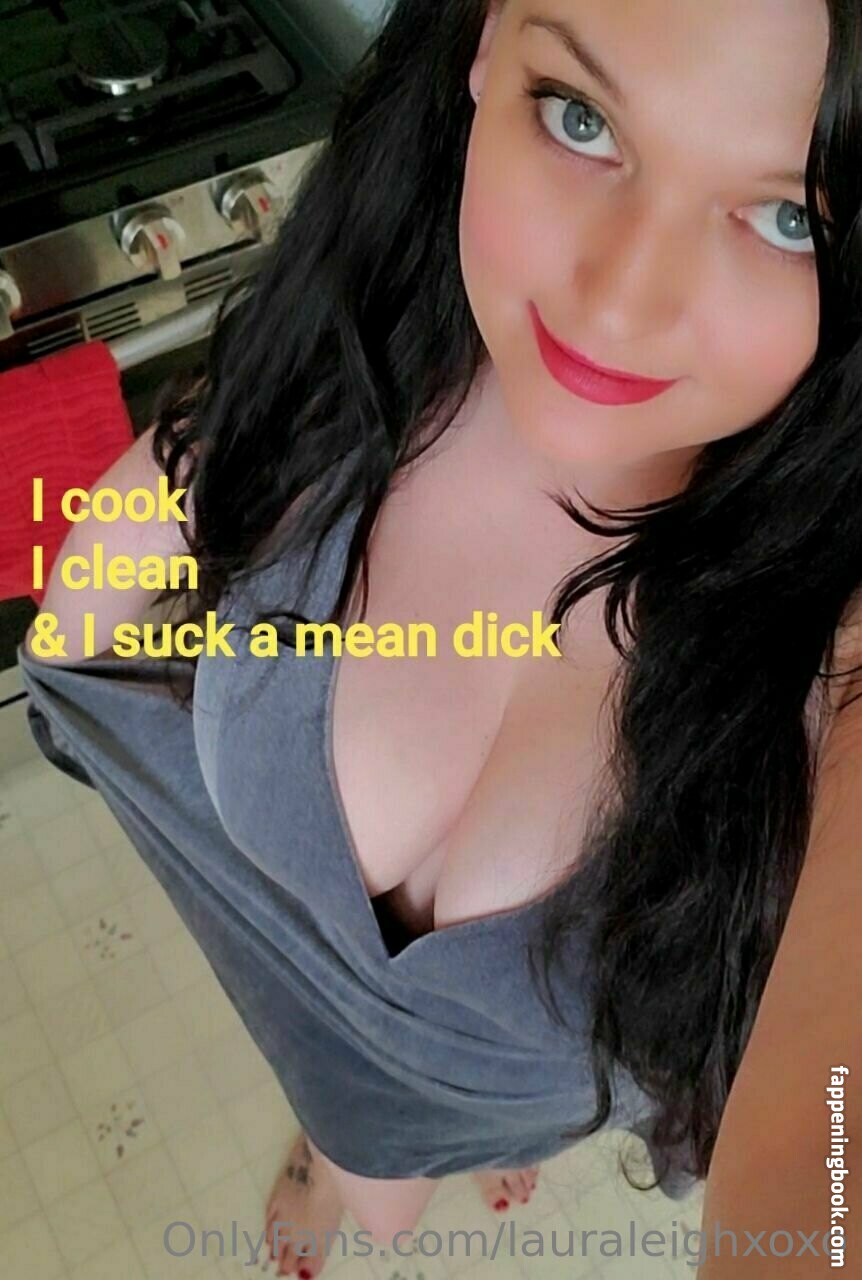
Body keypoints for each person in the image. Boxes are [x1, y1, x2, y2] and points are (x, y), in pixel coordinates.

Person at [18, 1, 862, 1276]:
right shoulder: (358, 345)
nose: (617, 303)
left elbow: (826, 1179)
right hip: (296, 1012)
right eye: (579, 117)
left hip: (503, 1096)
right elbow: (164, 497)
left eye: (789, 216)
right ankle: (330, 1145)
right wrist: (74, 644)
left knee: (406, 1183)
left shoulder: (829, 661)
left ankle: (448, 1141)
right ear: (483, 44)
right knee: (368, 1174)